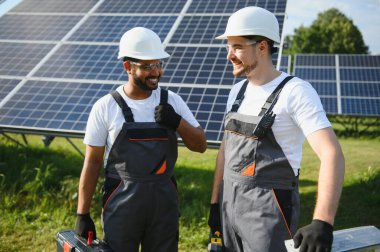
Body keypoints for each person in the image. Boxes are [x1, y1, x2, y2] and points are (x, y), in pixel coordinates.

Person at [207, 6, 345, 252]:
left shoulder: (295, 92)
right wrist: (215, 206)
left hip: (267, 214)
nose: (229, 54)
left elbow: (331, 154)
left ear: (262, 46)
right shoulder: (236, 92)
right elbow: (224, 152)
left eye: (237, 47)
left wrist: (323, 221)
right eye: (228, 46)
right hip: (228, 210)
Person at [74, 27, 207, 252]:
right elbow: (93, 162)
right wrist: (82, 213)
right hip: (121, 203)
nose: (156, 72)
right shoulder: (106, 107)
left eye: (159, 64)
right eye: (147, 66)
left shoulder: (172, 101)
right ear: (128, 66)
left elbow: (201, 146)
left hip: (164, 204)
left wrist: (177, 123)